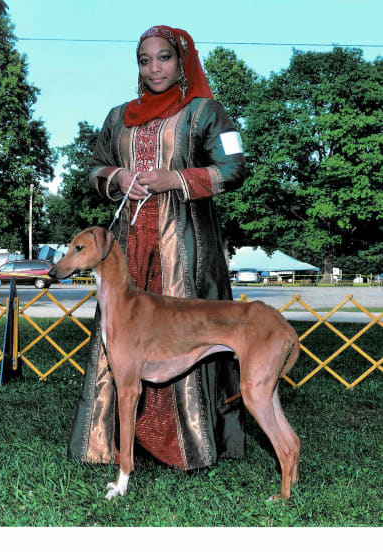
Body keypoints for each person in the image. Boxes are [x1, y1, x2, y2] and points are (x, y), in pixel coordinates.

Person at [69, 25, 247, 471]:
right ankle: (112, 444)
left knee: (190, 335)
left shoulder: (207, 113)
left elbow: (237, 167)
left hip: (186, 248)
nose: (154, 68)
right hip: (125, 249)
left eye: (164, 58)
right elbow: (92, 168)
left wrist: (177, 179)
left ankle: (192, 444)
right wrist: (116, 178)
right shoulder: (118, 117)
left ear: (181, 60)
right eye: (145, 60)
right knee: (124, 341)